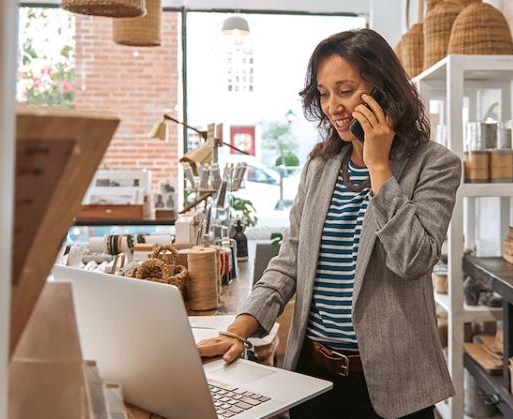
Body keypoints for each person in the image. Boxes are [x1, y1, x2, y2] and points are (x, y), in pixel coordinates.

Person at [197, 28, 462, 419]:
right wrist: (240, 327)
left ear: (382, 91)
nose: (332, 106)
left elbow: (414, 259)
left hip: (394, 388)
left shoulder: (435, 164)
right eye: (324, 93)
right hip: (312, 378)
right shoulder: (320, 166)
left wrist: (378, 166)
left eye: (346, 89)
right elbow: (291, 260)